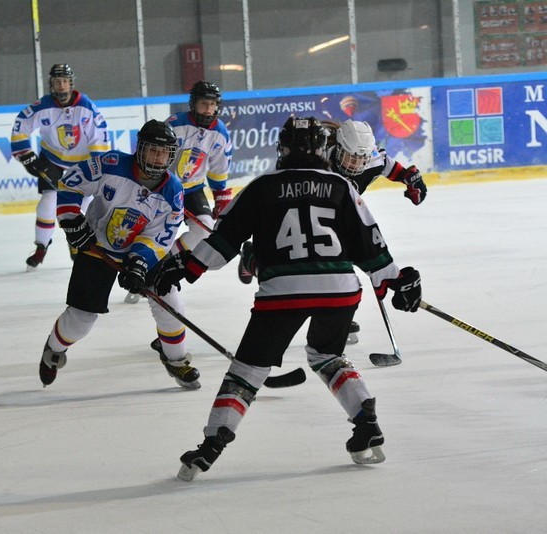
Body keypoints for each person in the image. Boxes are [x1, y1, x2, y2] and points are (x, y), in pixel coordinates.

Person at [153, 116, 422, 481]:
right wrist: (394, 280)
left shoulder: (262, 187)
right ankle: (366, 424)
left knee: (247, 371)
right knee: (327, 355)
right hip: (340, 290)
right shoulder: (341, 186)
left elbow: (222, 243)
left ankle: (211, 445)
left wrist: (185, 268)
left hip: (282, 292)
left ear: (282, 149)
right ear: (323, 150)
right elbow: (369, 243)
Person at [39, 119, 200, 390]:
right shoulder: (111, 164)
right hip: (96, 246)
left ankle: (176, 359)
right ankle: (54, 348)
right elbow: (70, 183)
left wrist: (139, 261)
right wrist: (71, 220)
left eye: (164, 153)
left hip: (143, 252)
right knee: (81, 319)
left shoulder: (173, 190)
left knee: (169, 302)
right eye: (153, 151)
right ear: (140, 149)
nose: (158, 158)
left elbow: (161, 235)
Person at [237, 118, 428, 345]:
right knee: (286, 264)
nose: (356, 165)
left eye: (361, 159)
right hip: (301, 213)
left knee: (339, 259)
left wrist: (409, 177)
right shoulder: (318, 162)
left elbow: (389, 166)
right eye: (350, 157)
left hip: (336, 213)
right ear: (338, 148)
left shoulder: (370, 159)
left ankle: (336, 315)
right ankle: (251, 259)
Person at [124, 80, 233, 304]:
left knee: (204, 229)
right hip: (164, 188)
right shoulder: (175, 124)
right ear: (193, 104)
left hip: (193, 190)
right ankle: (140, 266)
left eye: (212, 105)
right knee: (153, 231)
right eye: (204, 104)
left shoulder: (220, 132)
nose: (208, 110)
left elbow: (218, 168)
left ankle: (163, 262)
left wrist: (220, 197)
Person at [10, 64, 110, 270]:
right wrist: (26, 155)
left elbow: (99, 137)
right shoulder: (42, 106)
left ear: (71, 84)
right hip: (52, 161)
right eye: (57, 82)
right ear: (51, 85)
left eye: (64, 81)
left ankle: (78, 244)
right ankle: (41, 247)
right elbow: (21, 124)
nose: (61, 86)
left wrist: (98, 167)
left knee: (85, 207)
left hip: (82, 163)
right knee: (48, 202)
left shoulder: (87, 107)